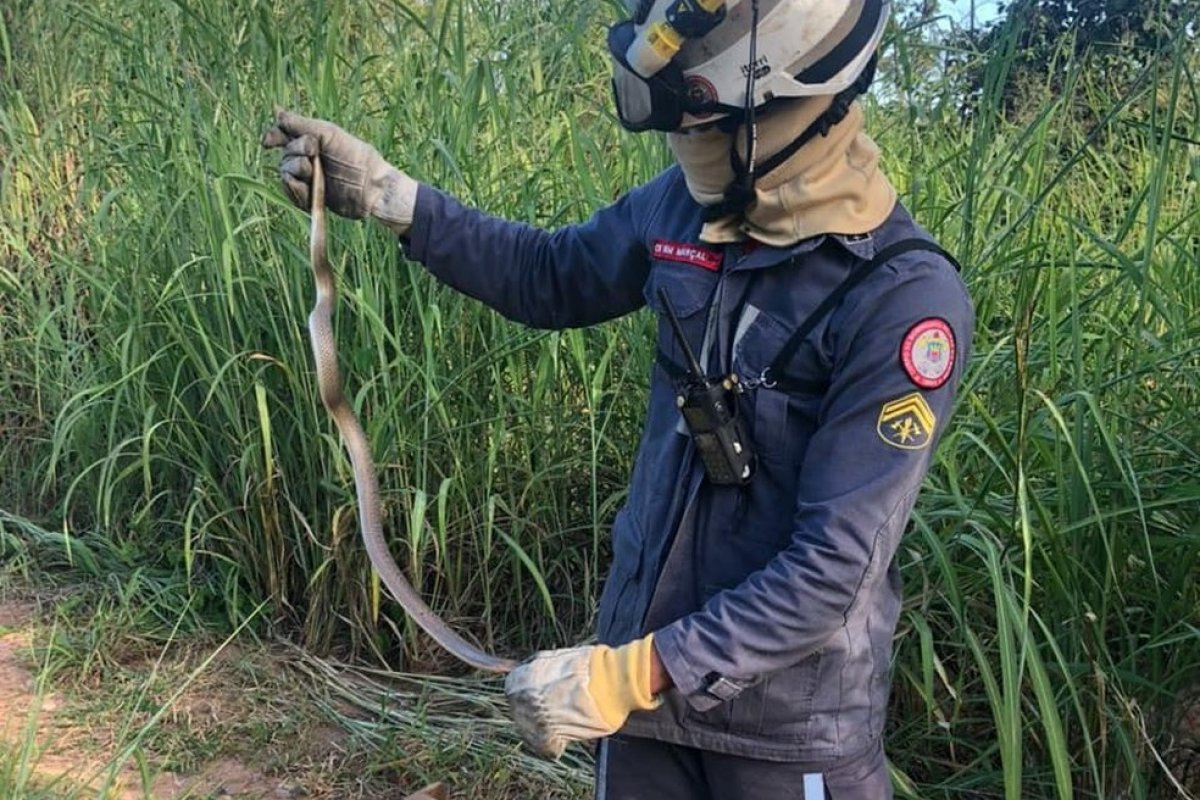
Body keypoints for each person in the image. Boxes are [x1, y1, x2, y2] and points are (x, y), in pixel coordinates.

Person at [263, 1, 974, 797]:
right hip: (641, 722)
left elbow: (833, 570)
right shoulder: (684, 207)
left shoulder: (902, 302)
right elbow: (548, 276)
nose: (686, 148)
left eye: (705, 122)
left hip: (785, 739)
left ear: (795, 105)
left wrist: (630, 675)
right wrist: (396, 199)